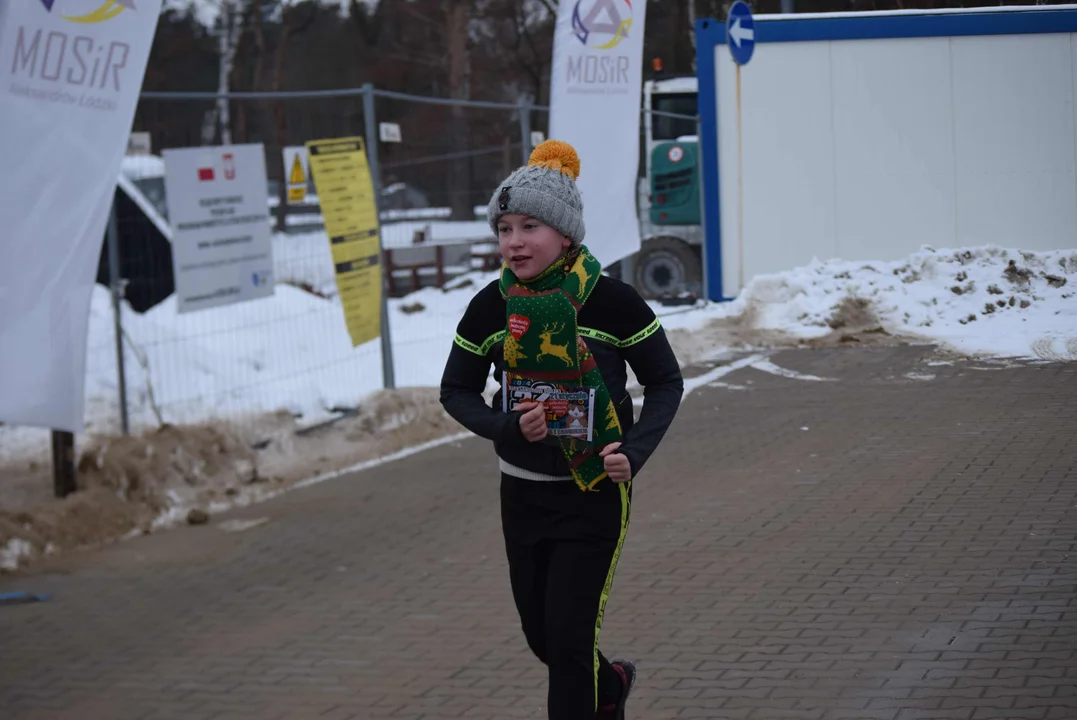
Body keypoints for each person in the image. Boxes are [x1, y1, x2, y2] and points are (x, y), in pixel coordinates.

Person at [439, 139, 684, 720]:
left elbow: (666, 383)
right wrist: (504, 427)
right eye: (504, 228)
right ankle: (612, 688)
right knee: (543, 640)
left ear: (566, 234)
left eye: (530, 226)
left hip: (594, 490)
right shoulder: (490, 307)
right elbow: (456, 390)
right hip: (521, 493)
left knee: (570, 643)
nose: (514, 242)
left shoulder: (614, 302)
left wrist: (637, 451)